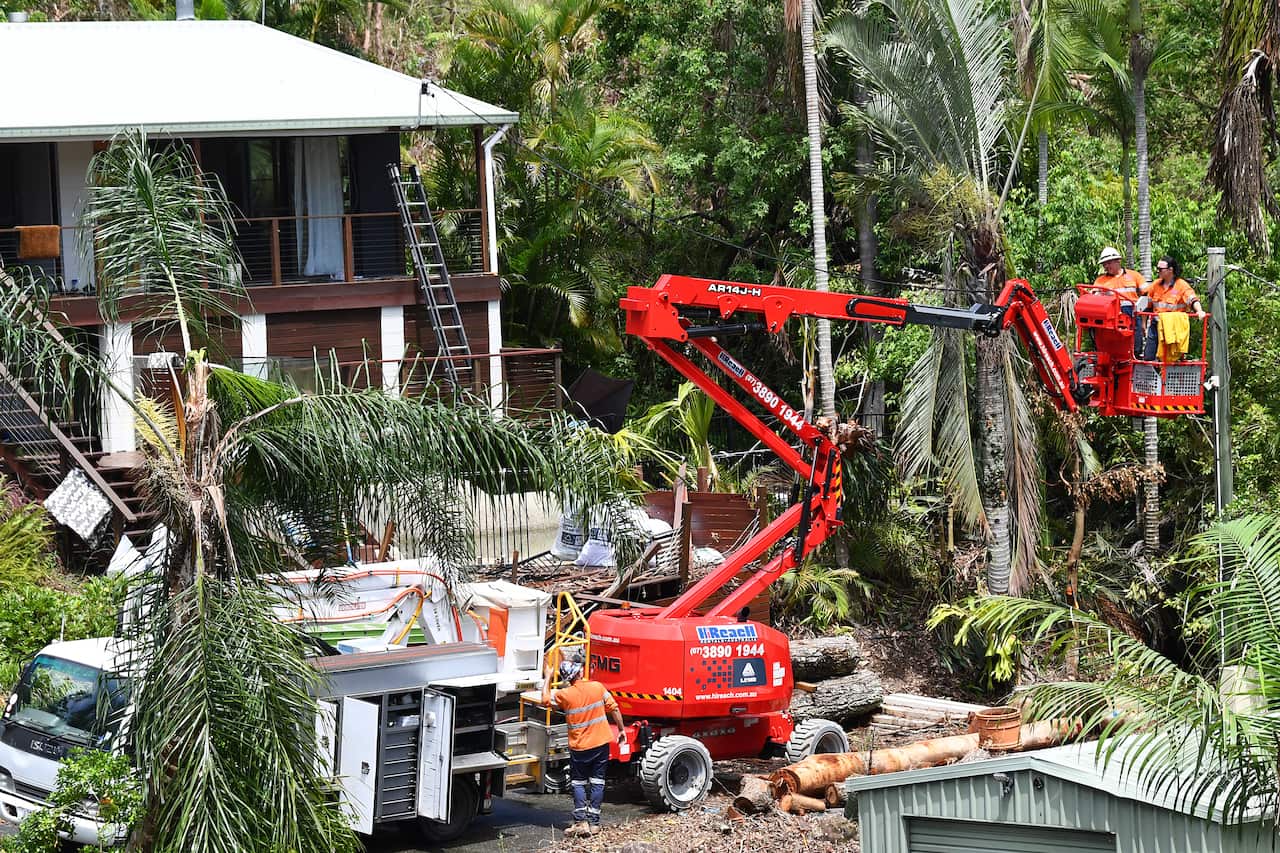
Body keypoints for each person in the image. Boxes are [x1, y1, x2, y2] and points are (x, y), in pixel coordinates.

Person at [542, 656, 627, 837]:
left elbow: (545, 700)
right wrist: (621, 730)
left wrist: (548, 676)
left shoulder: (564, 695)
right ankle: (594, 824)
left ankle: (581, 822)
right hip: (601, 744)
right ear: (579, 673)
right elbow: (614, 708)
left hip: (580, 747)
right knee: (598, 782)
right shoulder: (597, 687)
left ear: (566, 678)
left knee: (578, 783)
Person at [1135, 256, 1207, 360]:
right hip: (1156, 326)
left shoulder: (1182, 286)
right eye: (1157, 268)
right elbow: (1147, 306)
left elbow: (1193, 300)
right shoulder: (1155, 285)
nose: (1158, 271)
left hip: (1173, 329)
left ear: (1170, 270)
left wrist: (1199, 311)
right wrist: (1143, 324)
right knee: (1149, 356)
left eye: (1160, 269)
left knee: (1171, 358)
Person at [1092, 246, 1148, 356]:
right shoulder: (1100, 281)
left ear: (1118, 261)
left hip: (1132, 313)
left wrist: (1144, 320)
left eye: (1108, 263)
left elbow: (1146, 294)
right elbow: (1093, 296)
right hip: (1111, 315)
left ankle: (1135, 356)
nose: (1106, 266)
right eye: (1104, 264)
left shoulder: (1134, 276)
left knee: (1135, 344)